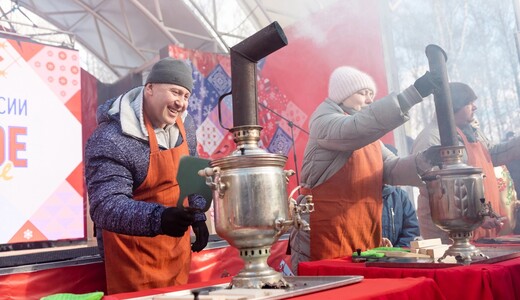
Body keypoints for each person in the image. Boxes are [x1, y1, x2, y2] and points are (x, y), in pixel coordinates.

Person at [289, 66, 438, 273]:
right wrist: (411, 95)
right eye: (363, 93)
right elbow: (356, 129)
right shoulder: (324, 121)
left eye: (372, 95)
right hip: (326, 231)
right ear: (342, 95)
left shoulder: (370, 137)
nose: (370, 100)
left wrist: (425, 161)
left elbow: (391, 168)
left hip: (362, 232)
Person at [84, 57, 209, 294]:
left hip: (175, 251)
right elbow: (105, 206)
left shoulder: (185, 125)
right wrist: (159, 219)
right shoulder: (111, 138)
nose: (181, 103)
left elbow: (193, 168)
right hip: (132, 258)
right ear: (149, 88)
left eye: (185, 96)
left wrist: (199, 215)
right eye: (175, 92)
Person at [411, 82, 520, 243]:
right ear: (454, 106)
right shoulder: (432, 138)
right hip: (450, 236)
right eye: (469, 103)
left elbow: (494, 155)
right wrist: (472, 217)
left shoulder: (472, 132)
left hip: (481, 229)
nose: (474, 107)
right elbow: (437, 190)